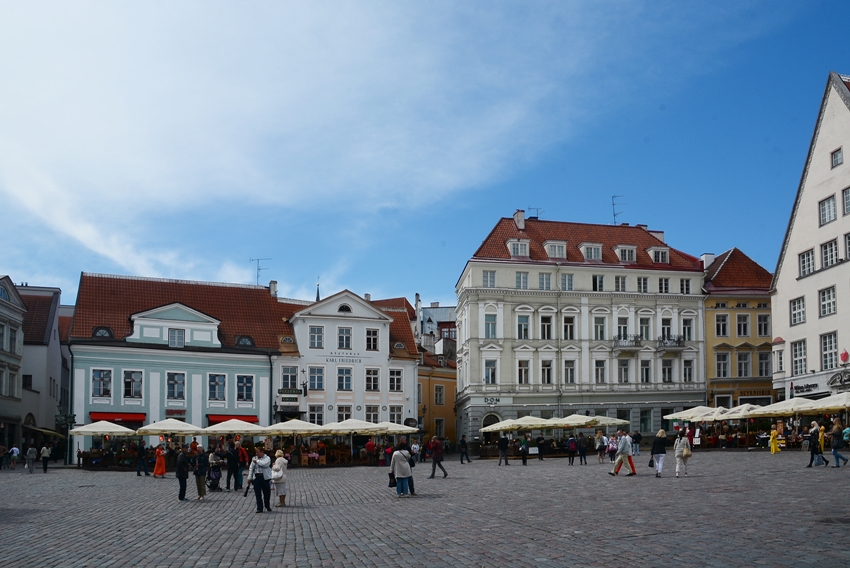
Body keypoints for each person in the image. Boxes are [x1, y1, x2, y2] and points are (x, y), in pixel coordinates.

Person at [248, 446, 272, 513]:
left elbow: (265, 464)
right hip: (257, 477)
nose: (257, 454)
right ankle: (259, 508)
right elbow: (251, 468)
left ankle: (267, 505)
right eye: (256, 452)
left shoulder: (267, 458)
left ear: (262, 452)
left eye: (258, 452)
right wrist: (249, 477)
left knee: (267, 493)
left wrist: (257, 461)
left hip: (265, 477)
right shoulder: (254, 458)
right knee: (257, 493)